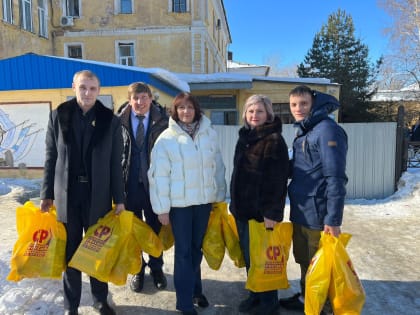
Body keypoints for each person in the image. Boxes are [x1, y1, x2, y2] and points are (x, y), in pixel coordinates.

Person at [40, 70, 125, 315]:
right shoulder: (59, 115)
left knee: (97, 249)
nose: (87, 93)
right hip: (68, 196)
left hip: (97, 197)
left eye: (92, 88)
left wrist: (119, 199)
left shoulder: (111, 120)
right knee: (71, 251)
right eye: (83, 88)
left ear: (99, 90)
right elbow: (51, 157)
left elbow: (114, 165)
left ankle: (100, 299)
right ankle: (71, 305)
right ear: (74, 87)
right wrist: (47, 194)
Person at [148, 92, 226, 315]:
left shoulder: (209, 134)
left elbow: (217, 167)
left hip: (202, 203)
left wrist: (218, 197)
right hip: (179, 207)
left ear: (196, 109)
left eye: (190, 107)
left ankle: (195, 290)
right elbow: (158, 176)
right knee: (183, 252)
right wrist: (162, 209)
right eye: (181, 108)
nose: (186, 112)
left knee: (196, 249)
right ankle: (183, 302)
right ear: (175, 111)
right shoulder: (166, 139)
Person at [279, 85, 348, 315]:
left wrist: (333, 219)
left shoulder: (327, 130)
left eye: (304, 104)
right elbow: (301, 169)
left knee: (319, 265)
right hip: (301, 210)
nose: (298, 109)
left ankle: (323, 308)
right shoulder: (305, 131)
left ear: (314, 104)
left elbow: (335, 177)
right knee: (304, 259)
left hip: (318, 214)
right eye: (294, 105)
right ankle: (306, 297)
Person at [229, 94, 290, 315]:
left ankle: (269, 304)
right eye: (251, 111)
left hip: (262, 215)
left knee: (265, 259)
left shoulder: (274, 140)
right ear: (245, 114)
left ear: (268, 114)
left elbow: (277, 181)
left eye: (260, 111)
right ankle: (255, 295)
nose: (255, 115)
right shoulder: (244, 137)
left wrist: (272, 213)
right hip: (243, 212)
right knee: (249, 258)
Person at [118, 82, 169, 292]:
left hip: (154, 187)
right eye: (136, 98)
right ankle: (137, 270)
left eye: (144, 97)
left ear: (151, 98)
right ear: (130, 100)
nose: (140, 102)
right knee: (133, 231)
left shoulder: (164, 122)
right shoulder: (118, 122)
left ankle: (156, 268)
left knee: (155, 230)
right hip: (128, 186)